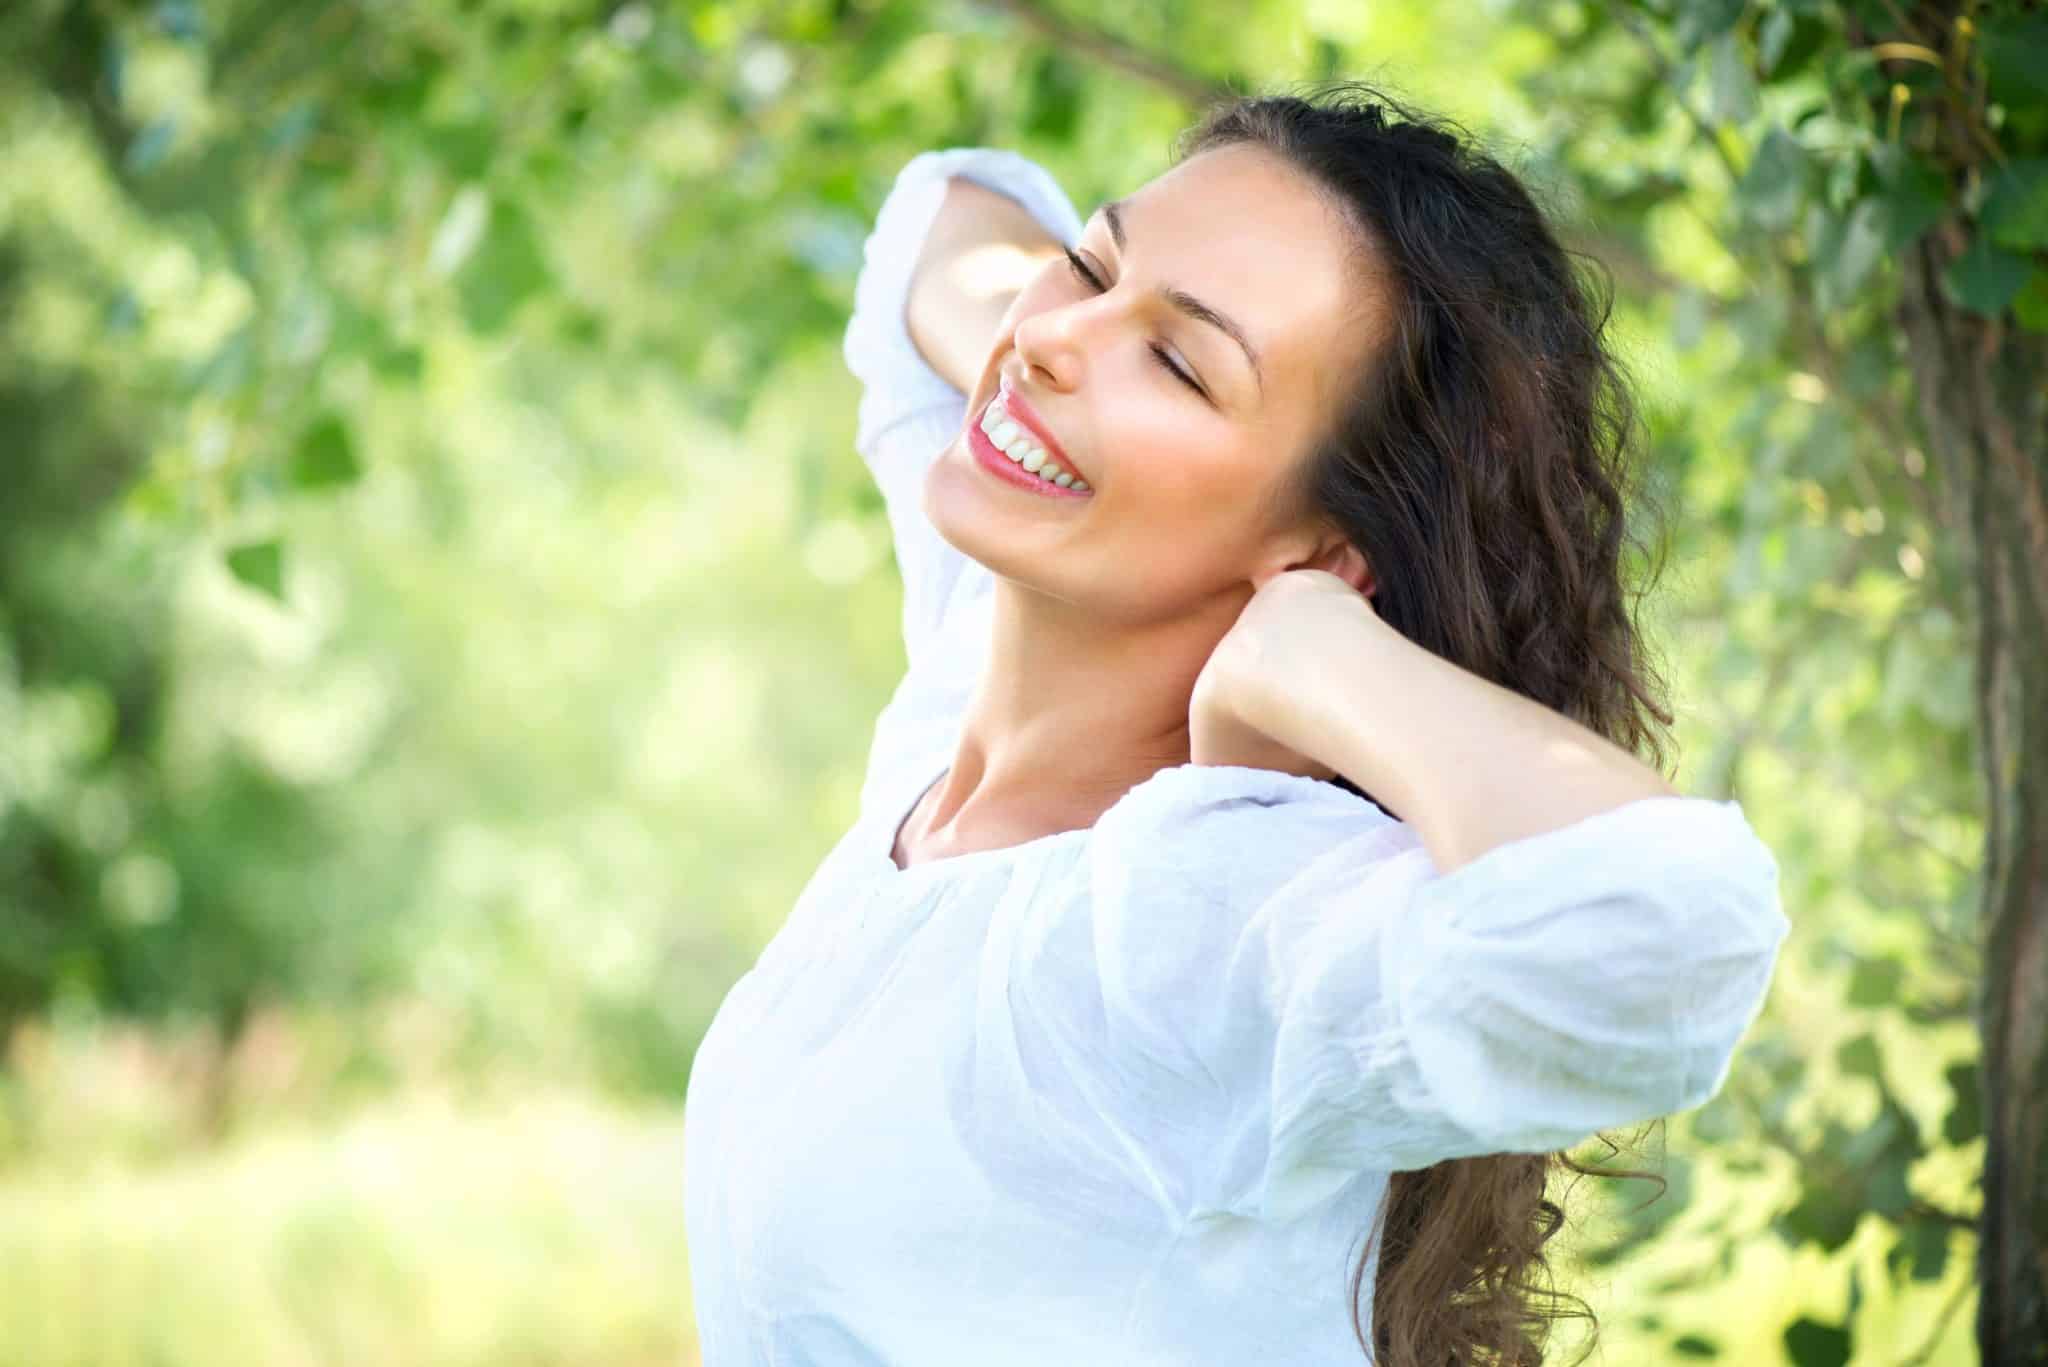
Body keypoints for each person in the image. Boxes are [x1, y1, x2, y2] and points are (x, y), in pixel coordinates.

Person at [682, 84, 1789, 1366]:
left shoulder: (1197, 909)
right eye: (1090, 265)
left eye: (1179, 362)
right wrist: (1069, 353)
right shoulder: (967, 674)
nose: (1055, 336)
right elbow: (941, 212)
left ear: (1319, 543)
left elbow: (1668, 935)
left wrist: (1322, 653)